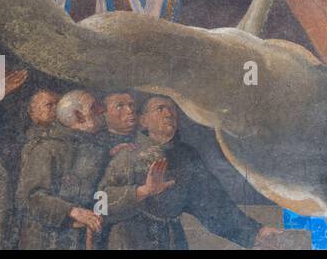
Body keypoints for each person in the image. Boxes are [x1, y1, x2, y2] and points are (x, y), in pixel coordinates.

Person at [99, 96, 281, 249]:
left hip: (173, 240)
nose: (169, 114)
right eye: (160, 109)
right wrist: (142, 191)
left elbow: (214, 205)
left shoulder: (187, 156)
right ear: (144, 121)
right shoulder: (128, 154)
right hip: (130, 241)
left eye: (172, 109)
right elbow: (100, 200)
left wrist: (255, 232)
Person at [15, 90, 107, 249]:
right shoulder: (46, 147)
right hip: (45, 241)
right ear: (79, 116)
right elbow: (30, 197)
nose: (101, 110)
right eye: (93, 107)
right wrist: (73, 211)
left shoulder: (98, 149)